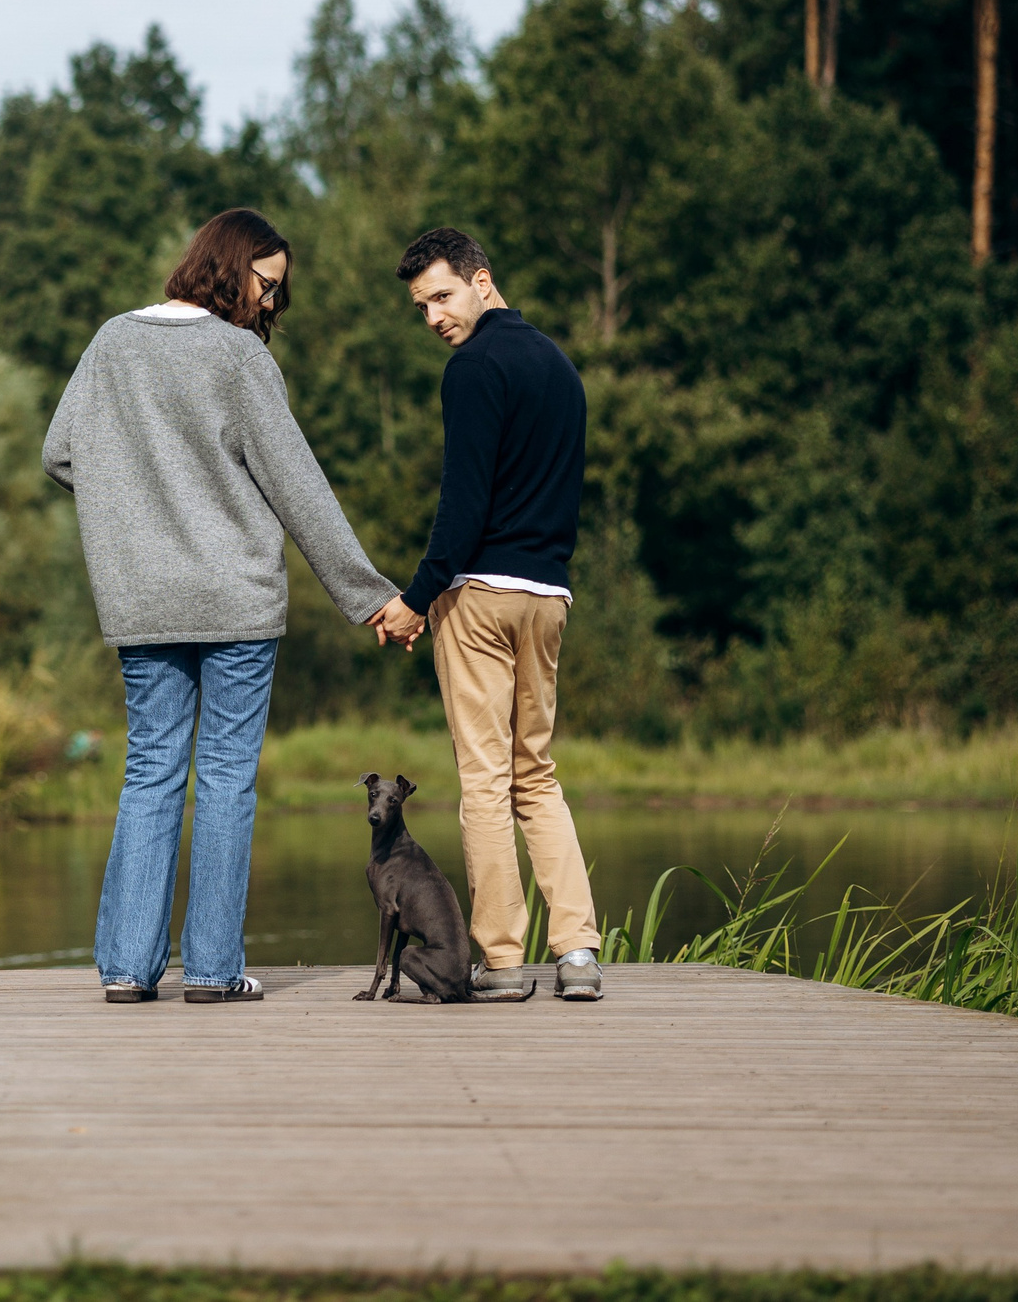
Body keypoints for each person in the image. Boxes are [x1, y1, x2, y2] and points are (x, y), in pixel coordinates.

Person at [45, 208, 400, 1005]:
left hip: (142, 599)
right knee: (228, 777)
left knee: (149, 772)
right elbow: (298, 488)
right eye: (266, 284)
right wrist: (370, 596)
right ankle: (210, 970)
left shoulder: (110, 341)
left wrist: (132, 509)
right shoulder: (237, 357)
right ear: (229, 265)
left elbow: (60, 451)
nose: (269, 304)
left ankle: (126, 972)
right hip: (235, 597)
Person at [370, 227, 603, 1001]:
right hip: (549, 596)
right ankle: (576, 954)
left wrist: (414, 598)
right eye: (422, 305)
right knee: (536, 774)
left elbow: (462, 504)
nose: (434, 316)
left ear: (481, 280)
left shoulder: (472, 369)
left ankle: (501, 961)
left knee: (485, 780)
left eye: (442, 295)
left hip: (478, 595)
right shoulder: (560, 367)